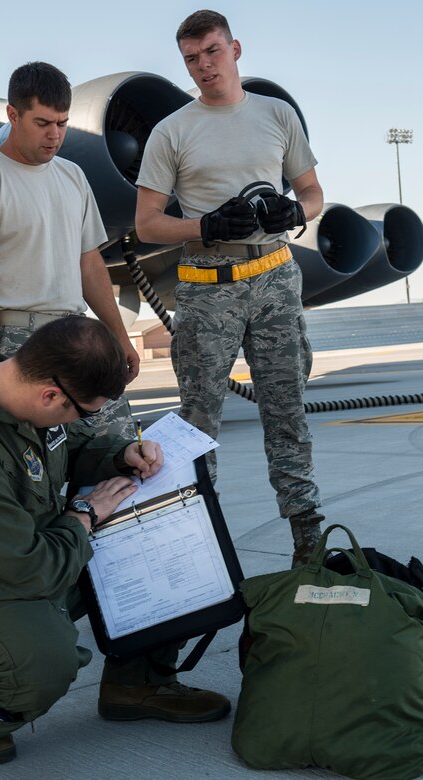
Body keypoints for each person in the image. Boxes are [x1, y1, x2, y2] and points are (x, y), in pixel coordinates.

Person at [0, 316, 230, 766]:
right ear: (52, 395)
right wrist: (84, 516)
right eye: (87, 411)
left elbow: (72, 449)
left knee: (166, 556)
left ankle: (135, 685)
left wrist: (120, 455)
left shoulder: (26, 394)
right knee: (43, 660)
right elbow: (17, 568)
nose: (86, 418)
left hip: (39, 547)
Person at [135, 9, 325, 566]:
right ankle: (201, 549)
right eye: (192, 59)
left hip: (273, 276)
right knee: (198, 420)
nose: (203, 67)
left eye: (212, 52)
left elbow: (313, 193)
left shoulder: (277, 115)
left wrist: (296, 210)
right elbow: (147, 224)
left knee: (287, 412)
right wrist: (205, 225)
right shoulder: (172, 131)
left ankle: (308, 544)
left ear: (235, 49)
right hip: (206, 283)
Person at [0, 60, 137, 439]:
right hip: (14, 342)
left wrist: (120, 336)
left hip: (75, 334)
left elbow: (90, 263)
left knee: (117, 449)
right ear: (12, 115)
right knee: (32, 469)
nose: (54, 135)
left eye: (62, 124)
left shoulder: (73, 177)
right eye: (42, 123)